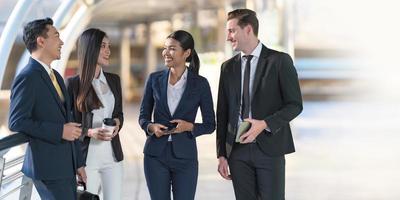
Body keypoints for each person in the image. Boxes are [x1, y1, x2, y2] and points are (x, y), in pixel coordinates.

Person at [216, 9, 303, 200]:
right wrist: (222, 153)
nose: (228, 37)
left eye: (232, 31)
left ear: (248, 29)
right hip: (237, 152)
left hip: (270, 149)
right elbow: (222, 113)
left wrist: (264, 124)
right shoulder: (227, 68)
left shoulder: (279, 61)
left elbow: (295, 105)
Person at [8, 17, 86, 200]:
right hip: (48, 169)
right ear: (41, 41)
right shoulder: (27, 77)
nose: (62, 42)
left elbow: (68, 121)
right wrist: (59, 131)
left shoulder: (56, 76)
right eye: (57, 36)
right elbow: (16, 121)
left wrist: (78, 163)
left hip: (66, 166)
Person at [139, 30, 215, 200]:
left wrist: (190, 127)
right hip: (155, 156)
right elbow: (143, 116)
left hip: (185, 157)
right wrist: (150, 127)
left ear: (187, 53)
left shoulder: (200, 84)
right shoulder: (154, 79)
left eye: (172, 48)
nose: (166, 52)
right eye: (165, 48)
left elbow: (210, 124)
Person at [65, 28, 124, 200]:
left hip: (113, 157)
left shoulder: (114, 80)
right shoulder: (73, 85)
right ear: (90, 49)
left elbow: (119, 113)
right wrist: (91, 132)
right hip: (86, 160)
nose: (108, 51)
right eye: (103, 46)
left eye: (109, 46)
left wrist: (118, 123)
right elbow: (69, 124)